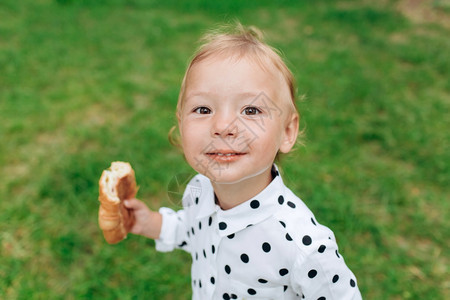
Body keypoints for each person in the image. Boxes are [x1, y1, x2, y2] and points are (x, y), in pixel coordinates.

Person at [123, 23, 362, 300]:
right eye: (203, 109)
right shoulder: (199, 191)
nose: (223, 125)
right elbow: (196, 232)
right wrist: (152, 223)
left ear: (287, 132)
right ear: (180, 124)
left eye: (251, 110)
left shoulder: (302, 245)